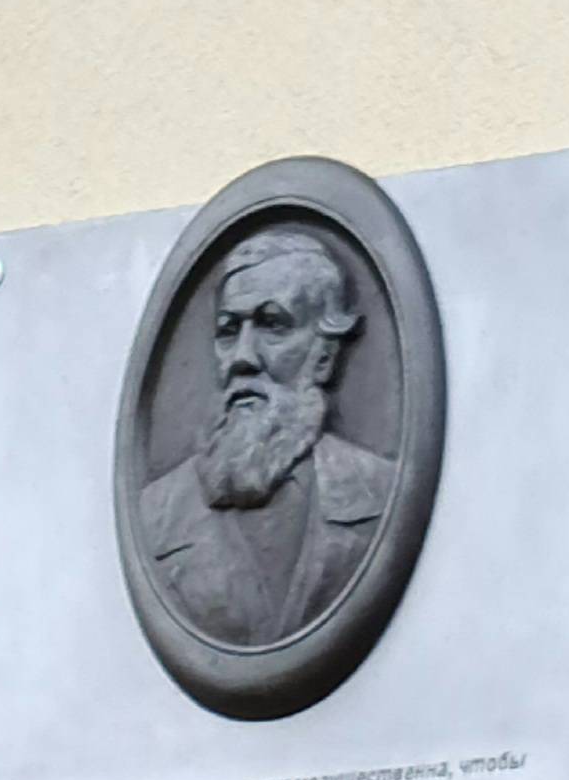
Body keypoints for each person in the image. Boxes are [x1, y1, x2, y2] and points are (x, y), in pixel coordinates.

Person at [135, 223, 398, 651]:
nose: (242, 358)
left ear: (325, 354)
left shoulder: (381, 492)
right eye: (228, 330)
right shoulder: (157, 514)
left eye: (273, 325)